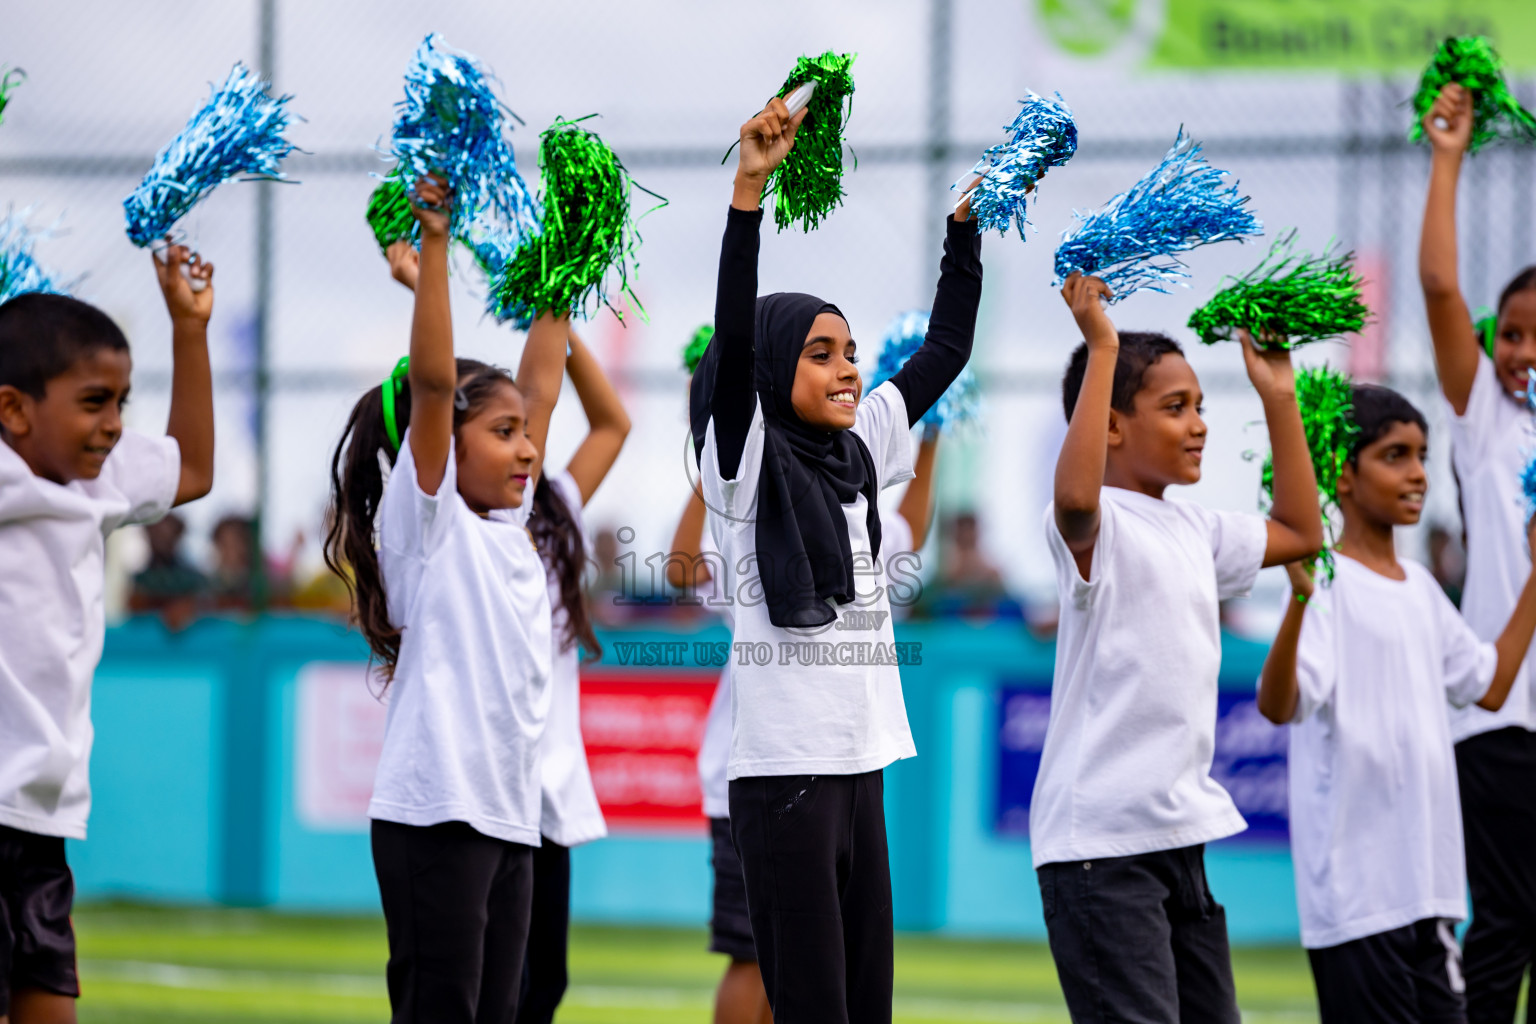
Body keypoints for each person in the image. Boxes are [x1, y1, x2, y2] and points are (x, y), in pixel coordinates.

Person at [689, 93, 982, 1021]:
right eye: (822, 353)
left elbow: (946, 347)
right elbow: (734, 347)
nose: (850, 367)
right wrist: (749, 192)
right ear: (779, 371)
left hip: (861, 771)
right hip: (782, 782)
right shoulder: (741, 461)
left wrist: (962, 235)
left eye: (851, 350)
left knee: (867, 1009)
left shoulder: (864, 450)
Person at [1037, 272, 1322, 1023]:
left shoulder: (1196, 530)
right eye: (1175, 408)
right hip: (1099, 847)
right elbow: (1074, 499)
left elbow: (1301, 531)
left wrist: (1277, 393)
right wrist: (1100, 345)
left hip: (1178, 838)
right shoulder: (1096, 525)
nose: (1198, 424)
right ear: (1108, 426)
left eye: (1200, 406)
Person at [323, 176, 568, 1024]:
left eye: (527, 433)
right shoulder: (427, 522)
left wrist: (566, 271)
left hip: (508, 820)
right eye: (503, 434)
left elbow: (541, 380)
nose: (528, 447)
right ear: (442, 449)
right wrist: (434, 247)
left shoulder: (511, 523)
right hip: (436, 819)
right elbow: (433, 384)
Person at [1258, 385, 1536, 1023]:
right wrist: (1298, 600)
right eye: (1395, 455)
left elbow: (1490, 683)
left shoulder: (1420, 588)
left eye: (1422, 456)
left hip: (1428, 895)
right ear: (1344, 474)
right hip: (1358, 901)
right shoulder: (1323, 582)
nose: (1417, 473)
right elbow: (1281, 705)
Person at [0, 242, 216, 1024]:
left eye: (122, 402)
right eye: (94, 402)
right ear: (13, 410)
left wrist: (187, 329)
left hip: (40, 823)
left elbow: (190, 468)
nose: (114, 425)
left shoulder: (101, 480)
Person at [666, 420, 938, 1024]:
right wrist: (710, 444)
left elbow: (908, 531)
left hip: (837, 767)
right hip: (762, 763)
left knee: (814, 964)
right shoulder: (747, 512)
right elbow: (682, 569)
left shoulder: (852, 509)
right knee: (754, 958)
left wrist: (937, 432)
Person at [1419, 81, 1536, 1024]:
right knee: (1506, 925)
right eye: (1513, 335)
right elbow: (1440, 289)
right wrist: (1449, 155)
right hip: (1502, 726)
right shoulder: (1488, 422)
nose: (1522, 353)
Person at [129, 512, 209, 629]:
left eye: (168, 531)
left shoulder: (193, 578)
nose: (161, 537)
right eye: (156, 532)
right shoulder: (140, 579)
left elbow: (206, 604)